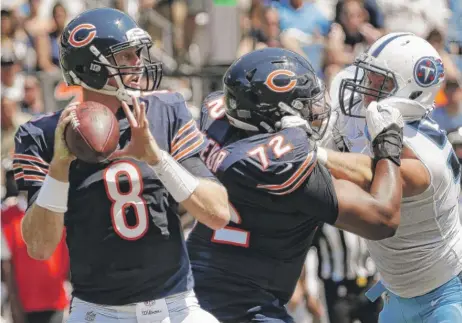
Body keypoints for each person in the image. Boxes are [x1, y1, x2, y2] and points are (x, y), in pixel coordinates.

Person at [13, 7, 230, 323]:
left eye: (137, 54)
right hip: (99, 313)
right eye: (125, 56)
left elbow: (218, 214)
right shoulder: (44, 134)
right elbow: (39, 248)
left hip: (176, 307)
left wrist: (156, 158)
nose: (138, 63)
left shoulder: (165, 111)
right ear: (90, 68)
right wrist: (59, 168)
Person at [187, 47, 404, 323]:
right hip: (242, 306)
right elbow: (383, 218)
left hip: (196, 290)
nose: (316, 110)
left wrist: (312, 149)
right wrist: (388, 146)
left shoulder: (224, 130)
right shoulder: (286, 169)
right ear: (278, 115)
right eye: (306, 104)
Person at [321, 32, 462, 322]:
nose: (365, 89)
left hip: (445, 296)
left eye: (377, 82)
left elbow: (375, 174)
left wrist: (313, 154)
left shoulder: (425, 156)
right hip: (400, 294)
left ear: (409, 89)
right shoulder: (398, 131)